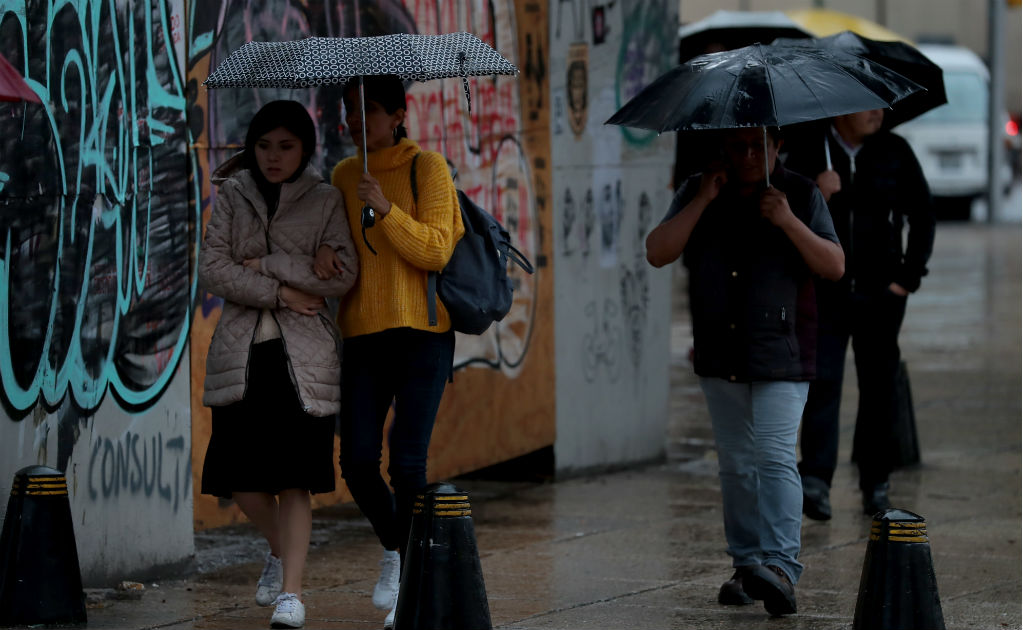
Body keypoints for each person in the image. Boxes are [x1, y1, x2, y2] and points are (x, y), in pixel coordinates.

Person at [646, 126, 844, 617]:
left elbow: (834, 265)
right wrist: (702, 200)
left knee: (775, 455)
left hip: (783, 349)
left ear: (777, 146)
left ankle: (780, 567)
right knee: (735, 462)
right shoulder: (701, 187)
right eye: (738, 147)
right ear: (724, 150)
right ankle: (746, 563)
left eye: (759, 145)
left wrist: (789, 221)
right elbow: (657, 250)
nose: (749, 155)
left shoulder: (799, 192)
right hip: (721, 349)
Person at [198, 100, 358, 629]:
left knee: (295, 479)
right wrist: (282, 293)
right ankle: (279, 550)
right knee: (236, 475)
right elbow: (214, 269)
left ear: (305, 149)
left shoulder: (327, 198)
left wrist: (270, 266)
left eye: (286, 147)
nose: (273, 157)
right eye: (264, 145)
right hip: (242, 354)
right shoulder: (233, 194)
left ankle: (292, 593)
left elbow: (340, 277)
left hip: (304, 359)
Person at [315, 75, 463, 630]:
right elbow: (343, 250)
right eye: (348, 109)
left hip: (424, 333)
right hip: (362, 335)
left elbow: (437, 250)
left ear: (400, 113)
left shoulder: (429, 168)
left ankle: (406, 578)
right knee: (354, 459)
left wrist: (384, 206)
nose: (355, 119)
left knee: (407, 461)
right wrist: (329, 248)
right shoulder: (343, 174)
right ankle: (398, 550)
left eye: (368, 109)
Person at [783, 109, 936, 520]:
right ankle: (815, 481)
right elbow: (782, 213)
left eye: (881, 106)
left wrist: (905, 280)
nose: (877, 113)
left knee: (879, 387)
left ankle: (876, 482)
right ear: (842, 108)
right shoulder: (811, 149)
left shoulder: (895, 151)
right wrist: (817, 191)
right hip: (825, 290)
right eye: (866, 105)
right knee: (823, 381)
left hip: (880, 295)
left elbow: (923, 216)